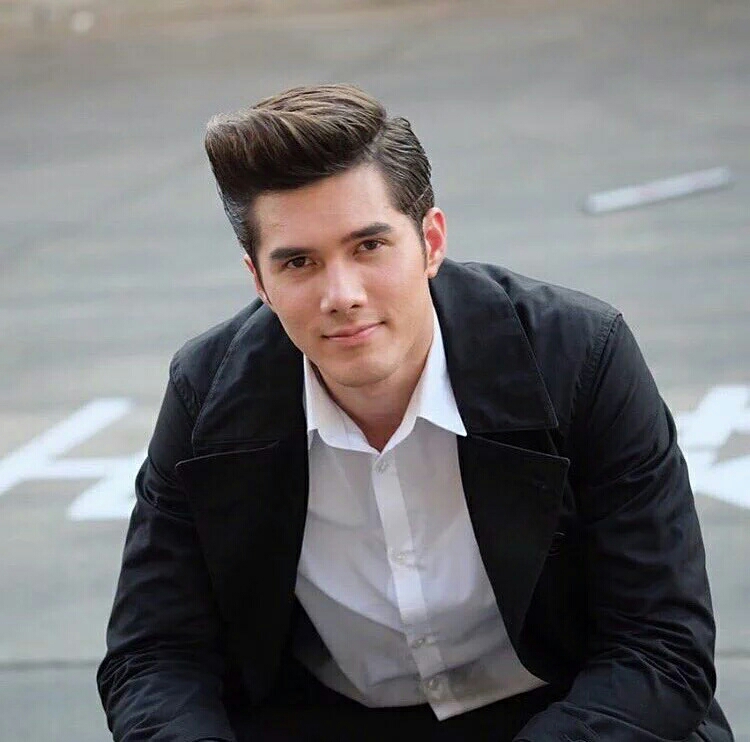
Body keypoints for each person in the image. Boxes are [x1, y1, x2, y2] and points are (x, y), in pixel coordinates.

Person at [97, 84, 733, 742]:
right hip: (329, 719)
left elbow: (661, 646)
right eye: (299, 262)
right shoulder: (207, 394)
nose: (341, 295)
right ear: (259, 281)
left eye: (369, 246)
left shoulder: (576, 357)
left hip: (569, 709)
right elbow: (155, 654)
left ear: (431, 241)